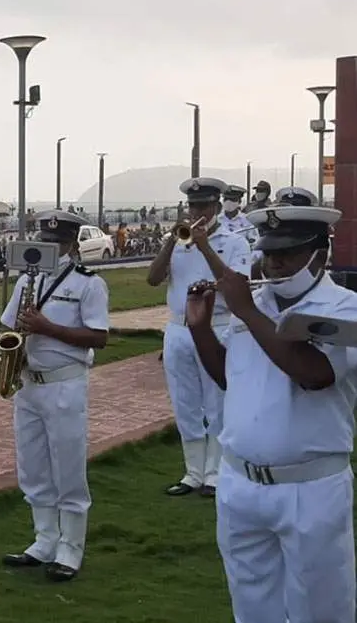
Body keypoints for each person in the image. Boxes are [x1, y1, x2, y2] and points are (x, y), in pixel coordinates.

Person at [186, 196, 357, 622]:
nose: (274, 265)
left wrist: (243, 308)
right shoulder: (256, 308)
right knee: (251, 608)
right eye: (269, 253)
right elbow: (232, 378)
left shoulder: (344, 308)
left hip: (309, 487)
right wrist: (201, 329)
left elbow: (313, 374)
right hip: (240, 483)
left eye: (288, 254)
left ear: (321, 253)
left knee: (320, 611)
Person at [0, 209, 109, 583]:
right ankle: (44, 540)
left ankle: (71, 549)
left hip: (65, 383)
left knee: (67, 466)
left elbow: (99, 337)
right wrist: (12, 350)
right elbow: (7, 326)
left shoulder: (87, 283)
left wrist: (48, 328)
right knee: (32, 466)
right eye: (42, 241)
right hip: (29, 382)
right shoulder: (25, 281)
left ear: (68, 243)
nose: (46, 248)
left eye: (53, 243)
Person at [146, 178, 251, 497]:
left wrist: (205, 245)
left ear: (217, 207)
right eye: (193, 206)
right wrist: (169, 243)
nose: (197, 212)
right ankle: (192, 472)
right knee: (185, 402)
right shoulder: (177, 241)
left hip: (217, 325)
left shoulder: (235, 241)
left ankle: (215, 473)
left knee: (216, 403)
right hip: (178, 328)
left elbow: (236, 284)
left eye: (204, 206)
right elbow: (153, 279)